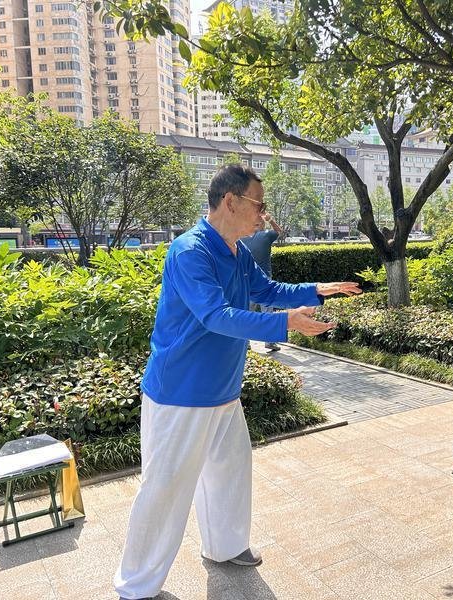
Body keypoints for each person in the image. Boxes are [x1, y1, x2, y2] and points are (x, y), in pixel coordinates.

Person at [114, 164, 361, 600]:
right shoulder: (190, 251)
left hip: (223, 390)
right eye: (258, 205)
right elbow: (215, 316)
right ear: (230, 201)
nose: (264, 215)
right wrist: (285, 325)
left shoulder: (236, 252)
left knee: (229, 471)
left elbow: (265, 290)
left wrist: (317, 289)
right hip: (181, 393)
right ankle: (136, 586)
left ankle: (224, 547)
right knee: (165, 488)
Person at [240, 212, 284, 351]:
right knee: (267, 313)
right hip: (264, 281)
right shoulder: (266, 235)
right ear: (262, 224)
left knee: (247, 313)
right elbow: (279, 231)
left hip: (248, 282)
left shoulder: (243, 239)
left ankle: (245, 343)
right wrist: (270, 219)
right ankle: (269, 342)